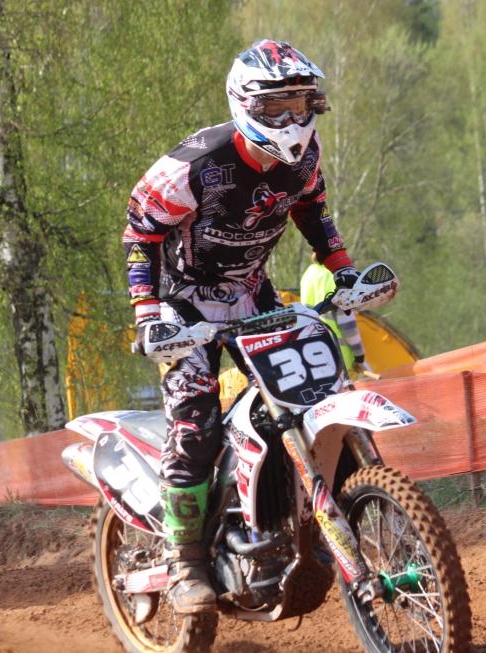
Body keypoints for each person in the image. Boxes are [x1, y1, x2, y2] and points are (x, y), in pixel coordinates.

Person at [123, 40, 359, 614]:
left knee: (308, 396)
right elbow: (140, 232)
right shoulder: (194, 165)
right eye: (277, 107)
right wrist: (147, 312)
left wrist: (343, 270)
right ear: (245, 104)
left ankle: (305, 523)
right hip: (182, 306)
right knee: (196, 425)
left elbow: (312, 208)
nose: (292, 119)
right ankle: (185, 562)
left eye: (300, 104)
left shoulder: (304, 157)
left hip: (252, 295)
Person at [300, 254, 369, 377]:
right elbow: (347, 325)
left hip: (314, 355)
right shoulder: (337, 279)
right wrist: (359, 357)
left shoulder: (309, 273)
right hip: (340, 360)